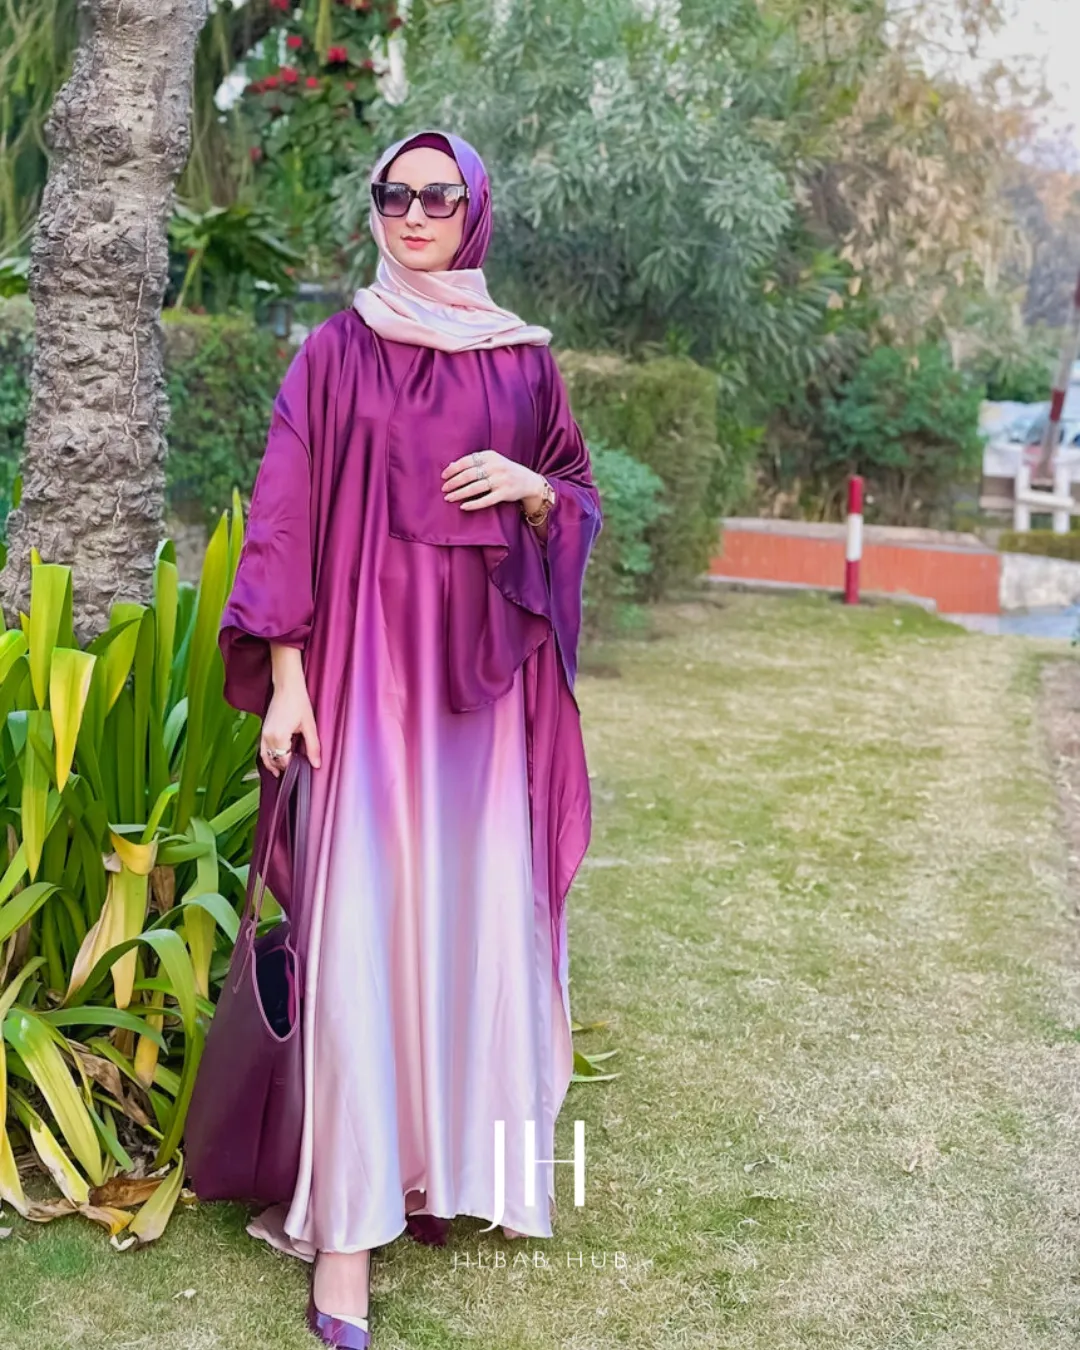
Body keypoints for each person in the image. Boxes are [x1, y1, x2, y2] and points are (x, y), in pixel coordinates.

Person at [211, 129, 602, 1349]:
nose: (416, 212)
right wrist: (286, 682)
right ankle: (345, 1234)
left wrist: (531, 489)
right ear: (375, 207)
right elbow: (282, 521)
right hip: (359, 679)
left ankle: (441, 1171)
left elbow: (575, 492)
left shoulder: (525, 361)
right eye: (396, 194)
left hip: (480, 699)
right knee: (361, 935)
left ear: (474, 209)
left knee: (468, 921)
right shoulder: (334, 351)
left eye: (440, 195)